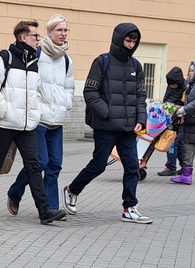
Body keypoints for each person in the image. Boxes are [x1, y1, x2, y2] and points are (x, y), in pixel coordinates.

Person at [0, 20, 66, 225]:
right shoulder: (3, 58)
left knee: (35, 165)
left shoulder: (33, 63)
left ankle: (44, 210)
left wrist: (35, 114)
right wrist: (4, 111)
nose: (39, 39)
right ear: (23, 37)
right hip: (4, 123)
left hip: (27, 125)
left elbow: (35, 93)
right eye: (35, 36)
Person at [61, 23, 153, 224]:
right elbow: (90, 92)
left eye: (134, 41)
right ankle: (71, 190)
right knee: (98, 165)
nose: (131, 45)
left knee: (132, 167)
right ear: (119, 39)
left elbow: (140, 95)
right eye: (128, 40)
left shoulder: (136, 66)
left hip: (128, 128)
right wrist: (107, 113)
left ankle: (129, 207)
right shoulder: (102, 62)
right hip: (105, 127)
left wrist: (141, 119)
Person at [7, 13, 73, 215]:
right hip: (39, 119)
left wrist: (66, 102)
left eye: (65, 30)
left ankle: (52, 208)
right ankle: (15, 192)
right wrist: (35, 106)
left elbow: (69, 86)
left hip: (57, 119)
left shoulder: (67, 59)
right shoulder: (38, 54)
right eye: (59, 30)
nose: (63, 34)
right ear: (49, 32)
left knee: (55, 166)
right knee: (40, 162)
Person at [157, 66, 188, 176]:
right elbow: (167, 98)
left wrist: (182, 116)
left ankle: (173, 166)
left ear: (178, 82)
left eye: (173, 85)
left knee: (175, 143)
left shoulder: (185, 87)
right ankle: (182, 166)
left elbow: (187, 104)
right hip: (169, 117)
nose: (171, 87)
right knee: (174, 142)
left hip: (180, 119)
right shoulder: (171, 85)